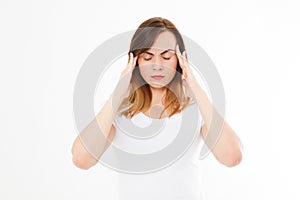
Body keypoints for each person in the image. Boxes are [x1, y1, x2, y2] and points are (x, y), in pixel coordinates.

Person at [71, 17, 243, 200]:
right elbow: (81, 159)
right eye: (148, 57)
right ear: (135, 60)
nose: (157, 66)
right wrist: (116, 95)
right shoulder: (118, 110)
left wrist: (196, 88)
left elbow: (232, 157)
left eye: (167, 57)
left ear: (180, 59)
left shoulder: (197, 108)